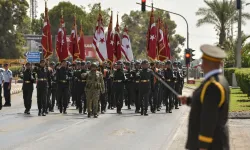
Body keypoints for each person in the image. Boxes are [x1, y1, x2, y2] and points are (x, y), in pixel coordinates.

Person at [178, 44, 230, 150]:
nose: (201, 65)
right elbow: (206, 103)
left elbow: (209, 118)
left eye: (204, 62)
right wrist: (188, 100)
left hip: (210, 144)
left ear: (210, 64)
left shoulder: (213, 85)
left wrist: (203, 145)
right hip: (214, 142)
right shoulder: (218, 79)